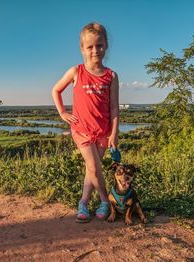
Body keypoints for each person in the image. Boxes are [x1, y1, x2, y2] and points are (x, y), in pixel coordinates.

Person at [52, 22, 119, 223]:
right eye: (89, 47)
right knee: (94, 167)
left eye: (99, 45)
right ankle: (105, 201)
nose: (95, 50)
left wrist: (114, 133)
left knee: (92, 169)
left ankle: (83, 202)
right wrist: (62, 112)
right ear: (82, 49)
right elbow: (56, 90)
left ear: (106, 46)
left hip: (103, 132)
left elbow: (114, 108)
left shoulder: (111, 76)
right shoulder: (76, 72)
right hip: (81, 130)